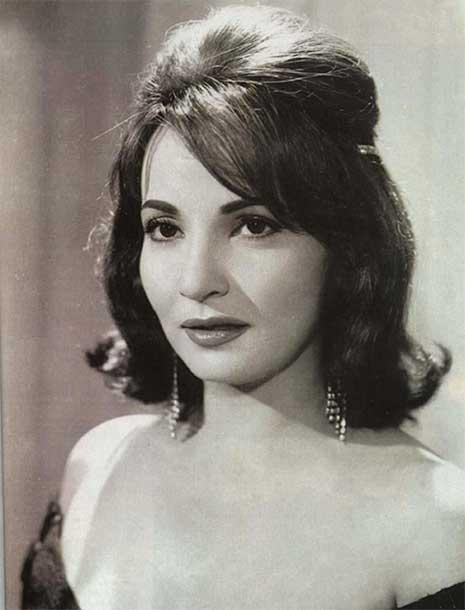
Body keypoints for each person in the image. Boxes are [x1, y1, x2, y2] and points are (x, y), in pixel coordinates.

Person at [21, 5, 464, 609]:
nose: (197, 281)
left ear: (347, 247)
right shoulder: (96, 469)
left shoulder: (434, 528)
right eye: (165, 228)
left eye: (254, 225)